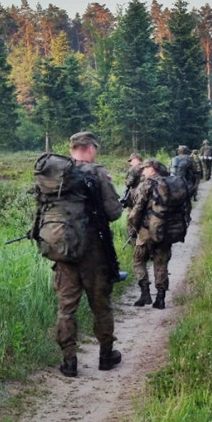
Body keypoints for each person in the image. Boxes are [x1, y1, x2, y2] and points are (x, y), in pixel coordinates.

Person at [50, 132, 125, 378]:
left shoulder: (55, 174)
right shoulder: (99, 173)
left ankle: (69, 361)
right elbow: (114, 213)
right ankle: (105, 356)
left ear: (72, 149)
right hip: (94, 252)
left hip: (64, 251)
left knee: (66, 308)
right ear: (90, 148)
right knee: (101, 305)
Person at [127, 158, 183, 310]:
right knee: (161, 263)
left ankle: (145, 292)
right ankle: (160, 298)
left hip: (147, 231)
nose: (143, 171)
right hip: (167, 230)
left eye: (145, 168)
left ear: (152, 169)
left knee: (138, 260)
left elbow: (137, 210)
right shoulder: (171, 184)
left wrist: (133, 226)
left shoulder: (148, 184)